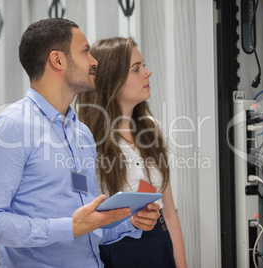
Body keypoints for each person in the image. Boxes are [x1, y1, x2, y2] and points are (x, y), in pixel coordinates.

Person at [0, 18, 160, 268]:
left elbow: (90, 229)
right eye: (85, 52)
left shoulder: (81, 134)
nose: (94, 61)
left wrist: (130, 222)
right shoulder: (11, 127)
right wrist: (68, 227)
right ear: (57, 60)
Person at [76, 37, 187, 268]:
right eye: (136, 69)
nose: (147, 73)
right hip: (113, 252)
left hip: (158, 244)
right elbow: (81, 220)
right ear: (111, 80)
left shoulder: (151, 133)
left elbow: (169, 214)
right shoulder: (84, 142)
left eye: (142, 65)